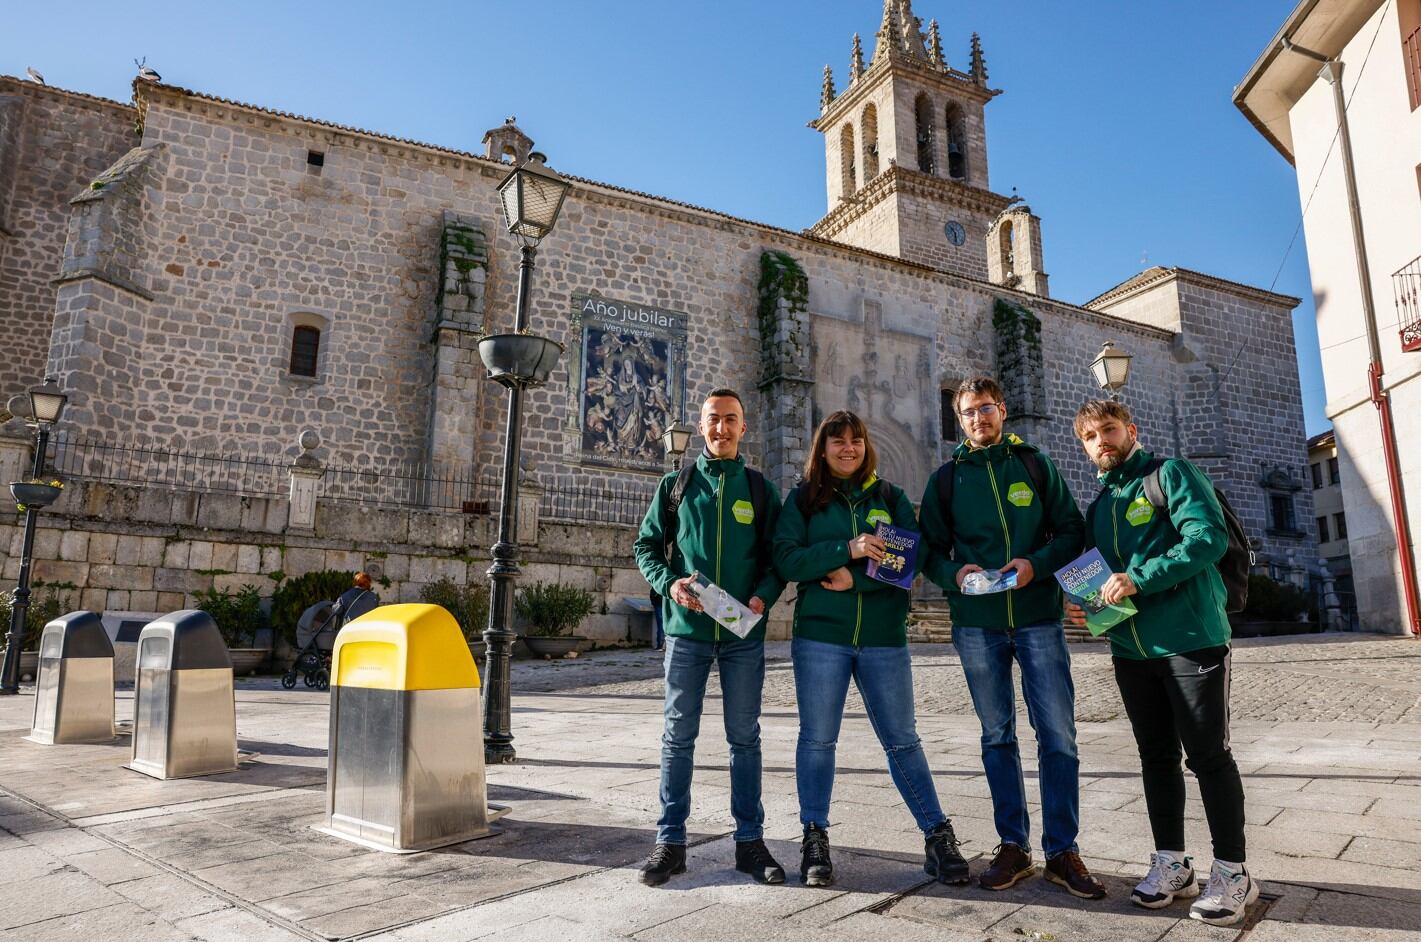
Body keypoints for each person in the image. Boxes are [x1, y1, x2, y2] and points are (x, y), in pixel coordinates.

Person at [1069, 399, 1256, 927]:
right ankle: (1172, 863)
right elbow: (1099, 576)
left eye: (1108, 430)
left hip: (1190, 639)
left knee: (1208, 758)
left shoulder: (1170, 473)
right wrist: (1087, 603)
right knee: (1155, 757)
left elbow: (1207, 538)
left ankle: (1233, 872)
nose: (1101, 441)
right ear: (1084, 449)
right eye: (1090, 437)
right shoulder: (1099, 506)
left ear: (1131, 430)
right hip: (1130, 650)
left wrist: (1139, 577)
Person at [918, 377, 1104, 899]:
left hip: (1037, 617)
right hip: (977, 625)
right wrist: (954, 574)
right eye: (968, 412)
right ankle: (1013, 845)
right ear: (960, 420)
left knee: (1058, 735)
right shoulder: (946, 480)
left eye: (986, 408)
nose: (979, 418)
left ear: (1003, 410)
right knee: (997, 734)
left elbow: (1071, 530)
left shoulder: (1035, 465)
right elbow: (929, 550)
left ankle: (1063, 849)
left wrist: (1035, 566)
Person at [773, 410, 969, 888]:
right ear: (822, 449)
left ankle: (936, 835)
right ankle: (815, 836)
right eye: (837, 441)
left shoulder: (892, 498)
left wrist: (851, 582)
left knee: (903, 740)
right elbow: (785, 558)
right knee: (818, 740)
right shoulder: (802, 501)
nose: (848, 448)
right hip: (821, 637)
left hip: (883, 639)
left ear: (866, 446)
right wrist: (849, 548)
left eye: (856, 441)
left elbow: (906, 568)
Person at [632, 388, 786, 886]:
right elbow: (646, 547)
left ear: (744, 429)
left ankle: (749, 843)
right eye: (713, 420)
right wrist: (668, 583)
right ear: (701, 428)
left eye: (731, 420)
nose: (722, 428)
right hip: (687, 634)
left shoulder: (761, 491)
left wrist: (763, 595)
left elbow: (775, 560)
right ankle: (671, 842)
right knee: (678, 738)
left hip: (742, 635)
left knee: (745, 739)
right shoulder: (676, 485)